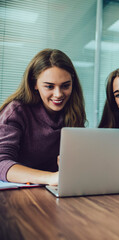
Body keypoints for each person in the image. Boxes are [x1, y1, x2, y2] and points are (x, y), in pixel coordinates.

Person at [0, 49, 86, 185]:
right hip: (22, 192)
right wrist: (51, 178)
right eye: (49, 86)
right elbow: (1, 163)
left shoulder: (73, 111)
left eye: (65, 86)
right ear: (34, 84)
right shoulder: (16, 111)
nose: (58, 94)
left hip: (55, 192)